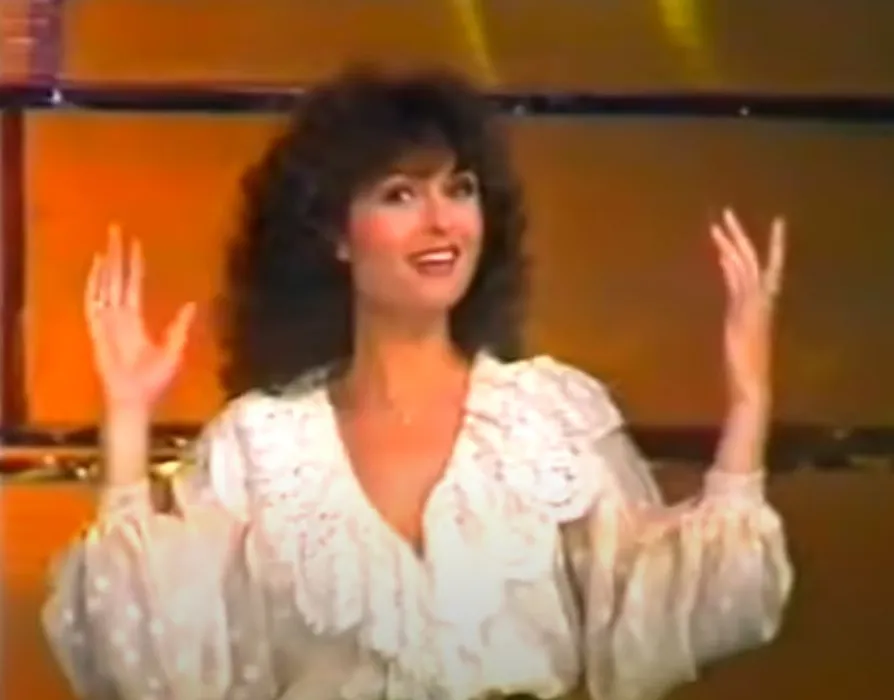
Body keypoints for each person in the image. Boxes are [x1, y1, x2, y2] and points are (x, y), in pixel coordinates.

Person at [42, 67, 793, 700]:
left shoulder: (548, 417)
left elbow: (674, 612)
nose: (441, 221)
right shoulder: (261, 446)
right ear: (334, 235)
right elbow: (150, 657)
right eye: (400, 195)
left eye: (459, 189)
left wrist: (749, 404)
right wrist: (128, 420)